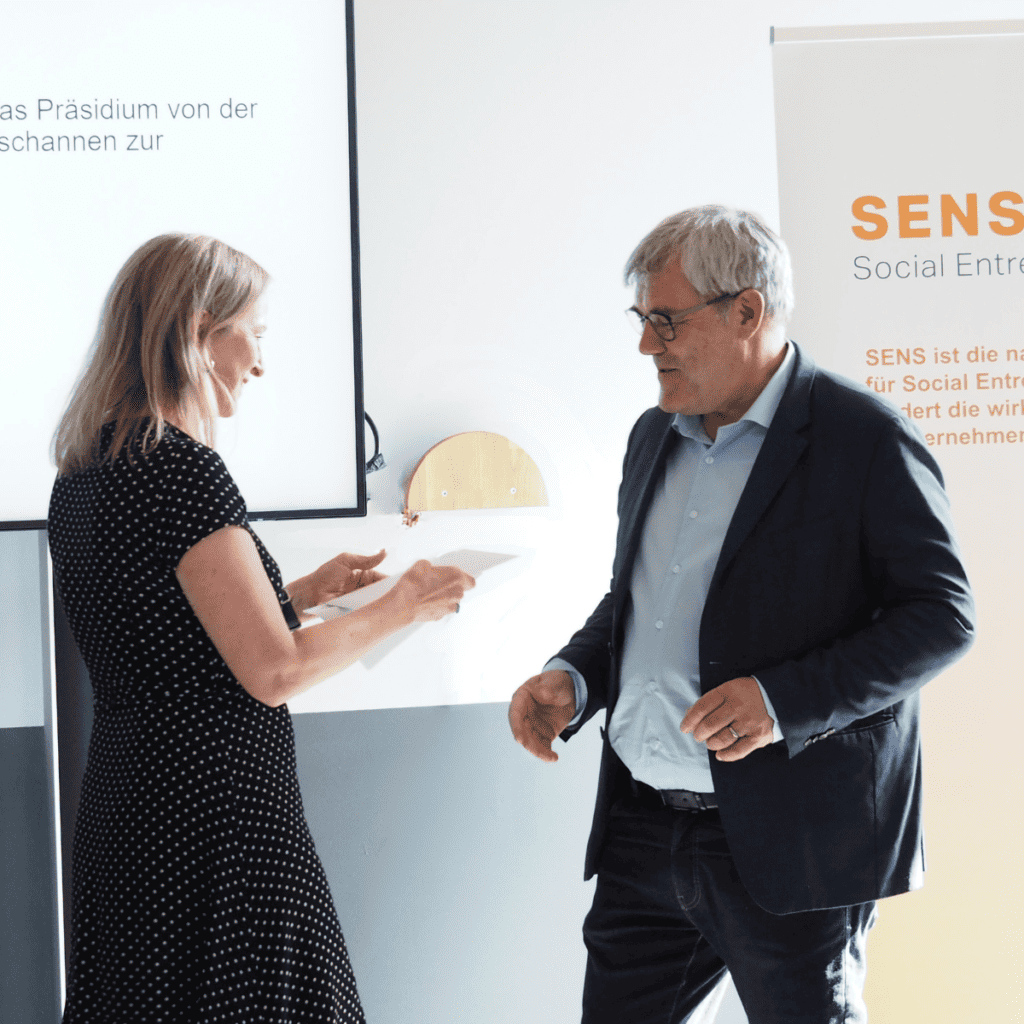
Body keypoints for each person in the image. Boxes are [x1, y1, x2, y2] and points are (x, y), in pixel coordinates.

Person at [508, 206, 974, 1023]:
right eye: (640, 319)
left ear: (747, 312)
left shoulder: (865, 438)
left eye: (665, 321)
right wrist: (575, 677)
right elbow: (641, 600)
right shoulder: (653, 437)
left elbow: (941, 617)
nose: (646, 345)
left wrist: (781, 700)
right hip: (643, 834)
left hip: (794, 846)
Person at [48, 233, 474, 1023]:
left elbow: (163, 636)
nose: (260, 363)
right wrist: (404, 602)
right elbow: (275, 672)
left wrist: (299, 594)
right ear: (198, 331)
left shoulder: (85, 476)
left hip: (129, 808)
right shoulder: (182, 471)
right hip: (219, 824)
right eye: (256, 333)